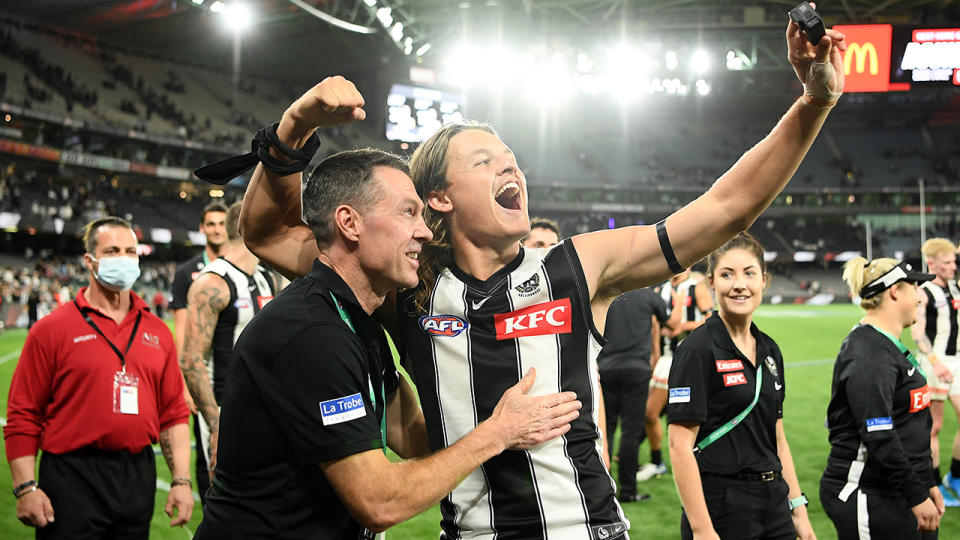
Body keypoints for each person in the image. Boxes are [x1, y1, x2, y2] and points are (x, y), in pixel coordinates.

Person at [239, 15, 846, 538]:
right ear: (440, 199)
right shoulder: (410, 284)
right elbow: (268, 234)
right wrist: (293, 128)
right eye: (486, 161)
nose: (512, 168)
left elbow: (724, 209)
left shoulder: (579, 264)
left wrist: (814, 101)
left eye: (513, 160)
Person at [195, 146, 581, 539]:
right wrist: (497, 432)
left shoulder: (359, 324)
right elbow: (379, 502)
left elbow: (415, 437)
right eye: (408, 212)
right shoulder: (312, 334)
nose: (425, 231)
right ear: (350, 223)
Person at [4, 216, 193, 538]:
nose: (124, 258)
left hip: (137, 474)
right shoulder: (51, 330)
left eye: (131, 251)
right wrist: (25, 486)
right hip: (72, 475)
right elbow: (23, 413)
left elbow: (174, 412)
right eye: (113, 250)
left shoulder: (157, 332)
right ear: (90, 261)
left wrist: (181, 481)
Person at [666, 232, 815, 540]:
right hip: (723, 505)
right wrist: (702, 530)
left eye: (749, 273)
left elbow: (778, 438)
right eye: (726, 274)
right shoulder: (697, 349)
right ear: (711, 282)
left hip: (775, 502)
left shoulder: (770, 350)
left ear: (764, 280)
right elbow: (679, 445)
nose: (739, 284)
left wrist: (798, 510)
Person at [821, 257, 944, 539]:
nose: (920, 297)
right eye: (914, 287)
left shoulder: (887, 346)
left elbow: (910, 427)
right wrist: (916, 493)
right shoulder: (869, 352)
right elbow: (879, 435)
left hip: (900, 489)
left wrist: (926, 482)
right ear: (894, 291)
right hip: (871, 492)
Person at [179, 201, 277, 483]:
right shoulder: (212, 283)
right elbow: (192, 360)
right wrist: (216, 426)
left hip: (264, 410)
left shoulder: (265, 278)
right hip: (226, 412)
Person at [598, 287, 678, 502]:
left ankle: (604, 490)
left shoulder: (606, 291)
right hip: (636, 369)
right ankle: (628, 491)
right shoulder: (648, 295)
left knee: (607, 428)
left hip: (605, 367)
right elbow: (671, 324)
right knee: (631, 433)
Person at [169, 200, 227, 501]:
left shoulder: (241, 268)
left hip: (238, 377)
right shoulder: (187, 272)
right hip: (204, 377)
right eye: (211, 224)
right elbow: (181, 332)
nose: (217, 230)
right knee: (208, 460)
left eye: (222, 223)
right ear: (202, 228)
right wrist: (186, 385)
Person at [639, 268, 713, 482]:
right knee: (651, 414)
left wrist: (683, 326)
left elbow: (711, 320)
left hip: (690, 361)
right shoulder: (660, 289)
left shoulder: (696, 287)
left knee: (688, 416)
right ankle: (657, 462)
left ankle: (697, 462)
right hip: (665, 360)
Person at [911, 238, 960, 506]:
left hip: (957, 361)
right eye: (947, 262)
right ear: (932, 263)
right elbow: (917, 330)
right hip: (934, 361)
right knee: (934, 426)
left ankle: (956, 477)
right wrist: (935, 361)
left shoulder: (955, 287)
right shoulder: (925, 292)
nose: (953, 266)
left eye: (954, 261)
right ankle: (934, 482)